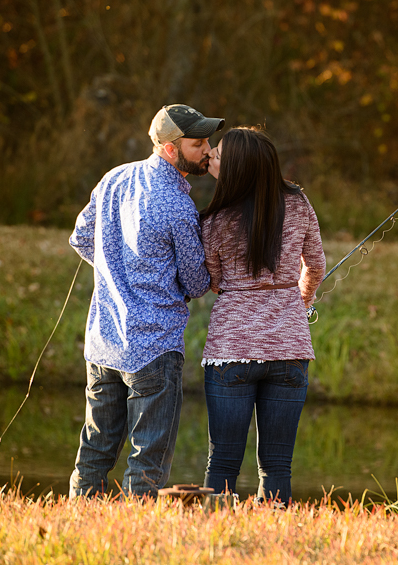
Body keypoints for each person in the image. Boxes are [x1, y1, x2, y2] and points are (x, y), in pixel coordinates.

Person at [68, 104, 223, 498]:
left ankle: (78, 528)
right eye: (198, 143)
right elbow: (196, 280)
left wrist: (116, 270)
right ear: (171, 149)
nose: (208, 149)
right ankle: (138, 538)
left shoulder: (114, 178)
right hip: (154, 349)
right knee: (147, 463)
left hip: (103, 343)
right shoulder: (178, 206)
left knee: (93, 455)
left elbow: (81, 238)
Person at [199, 127, 326, 506]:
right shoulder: (299, 203)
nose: (211, 159)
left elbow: (213, 280)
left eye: (218, 155)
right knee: (277, 465)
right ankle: (275, 539)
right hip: (290, 349)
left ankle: (213, 535)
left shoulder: (215, 219)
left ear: (238, 167)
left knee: (222, 460)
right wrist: (298, 305)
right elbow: (316, 267)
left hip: (230, 351)